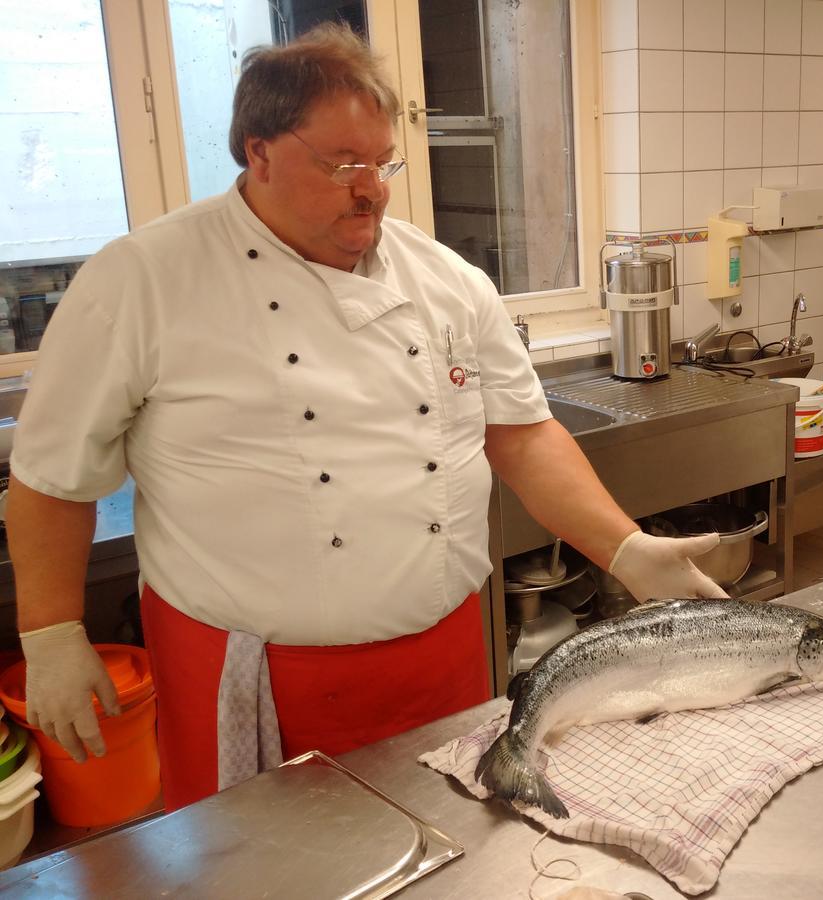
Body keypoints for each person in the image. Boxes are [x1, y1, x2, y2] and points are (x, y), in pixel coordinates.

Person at [6, 24, 724, 811]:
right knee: (270, 868)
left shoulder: (445, 278)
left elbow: (521, 435)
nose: (373, 186)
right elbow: (50, 478)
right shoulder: (144, 280)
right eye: (343, 162)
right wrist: (51, 635)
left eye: (382, 162)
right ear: (259, 152)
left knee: (451, 841)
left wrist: (624, 548)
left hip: (446, 653)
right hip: (255, 673)